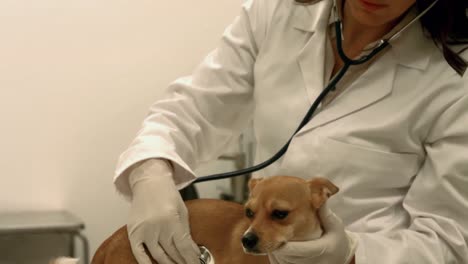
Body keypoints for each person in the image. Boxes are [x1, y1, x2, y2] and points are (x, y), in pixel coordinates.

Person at [113, 0, 468, 263]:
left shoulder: (456, 80)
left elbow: (450, 238)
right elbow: (194, 108)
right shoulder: (277, 11)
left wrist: (353, 253)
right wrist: (151, 170)